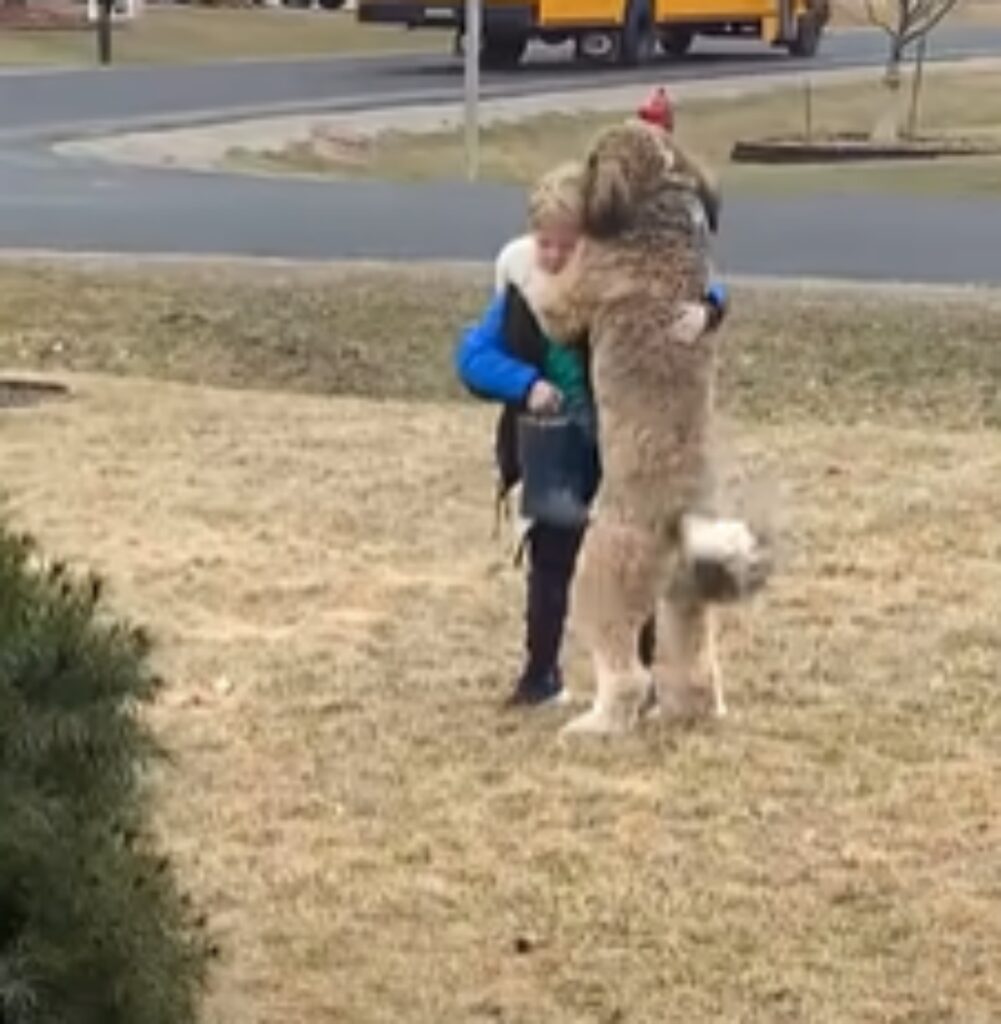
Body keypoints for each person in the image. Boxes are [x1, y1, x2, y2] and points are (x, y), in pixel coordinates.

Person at [453, 160, 729, 708]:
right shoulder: (522, 288)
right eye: (544, 244)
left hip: (624, 440)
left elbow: (701, 281)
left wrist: (709, 308)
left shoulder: (623, 282)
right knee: (552, 557)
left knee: (635, 557)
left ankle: (646, 678)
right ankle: (540, 676)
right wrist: (526, 384)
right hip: (556, 442)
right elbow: (472, 356)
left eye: (567, 246)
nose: (554, 257)